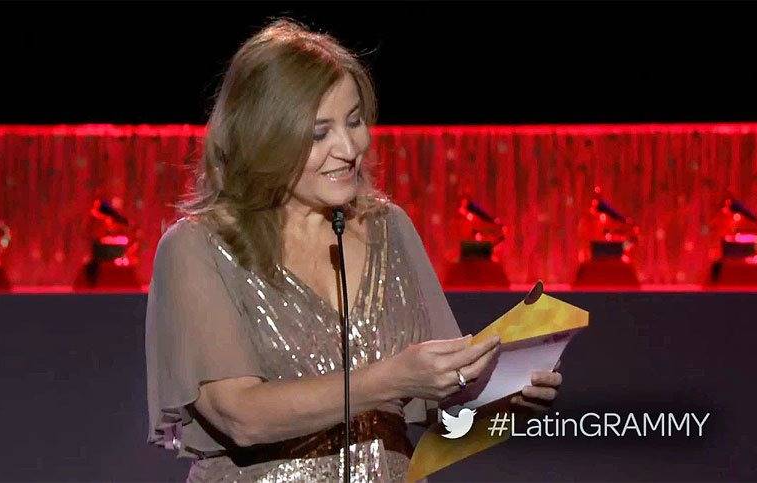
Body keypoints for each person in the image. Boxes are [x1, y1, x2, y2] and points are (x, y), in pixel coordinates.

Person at [145, 19, 562, 482]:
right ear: (263, 138)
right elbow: (240, 415)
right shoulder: (198, 248)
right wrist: (393, 379)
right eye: (319, 132)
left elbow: (442, 415)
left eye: (355, 121)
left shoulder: (389, 229)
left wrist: (496, 395)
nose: (348, 148)